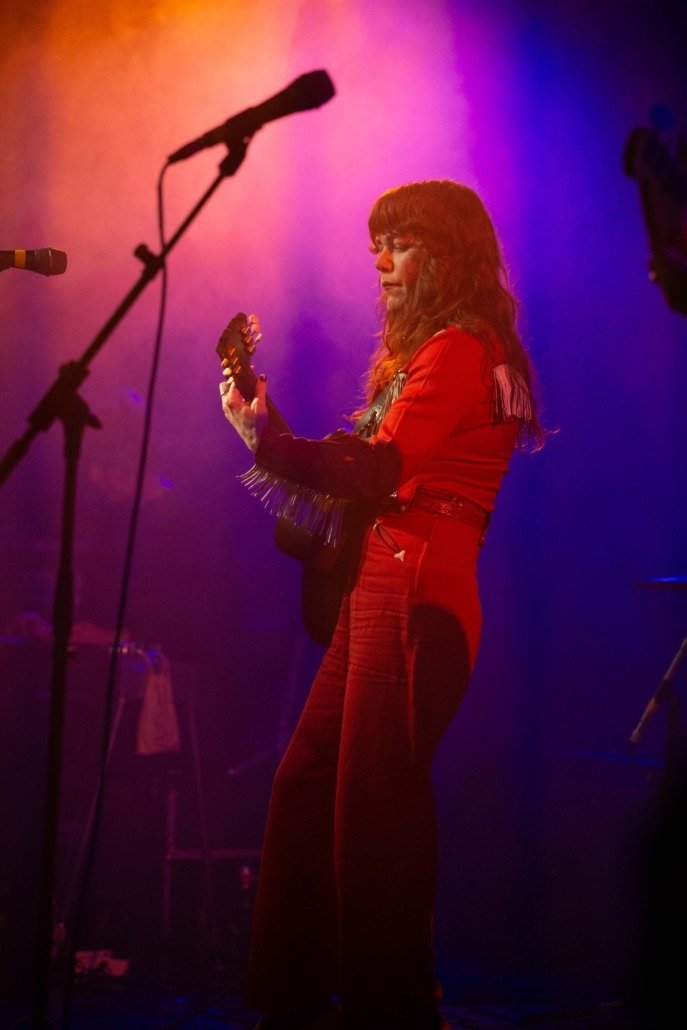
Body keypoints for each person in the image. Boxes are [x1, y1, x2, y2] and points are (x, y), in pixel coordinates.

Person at [219, 179, 544, 1029]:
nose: (379, 260)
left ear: (442, 253)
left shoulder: (462, 351)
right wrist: (268, 430)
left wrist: (271, 441)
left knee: (372, 814)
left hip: (415, 591)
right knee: (307, 788)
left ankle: (393, 1009)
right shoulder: (430, 352)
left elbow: (376, 468)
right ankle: (291, 997)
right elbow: (356, 466)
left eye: (396, 243)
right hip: (382, 585)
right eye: (378, 244)